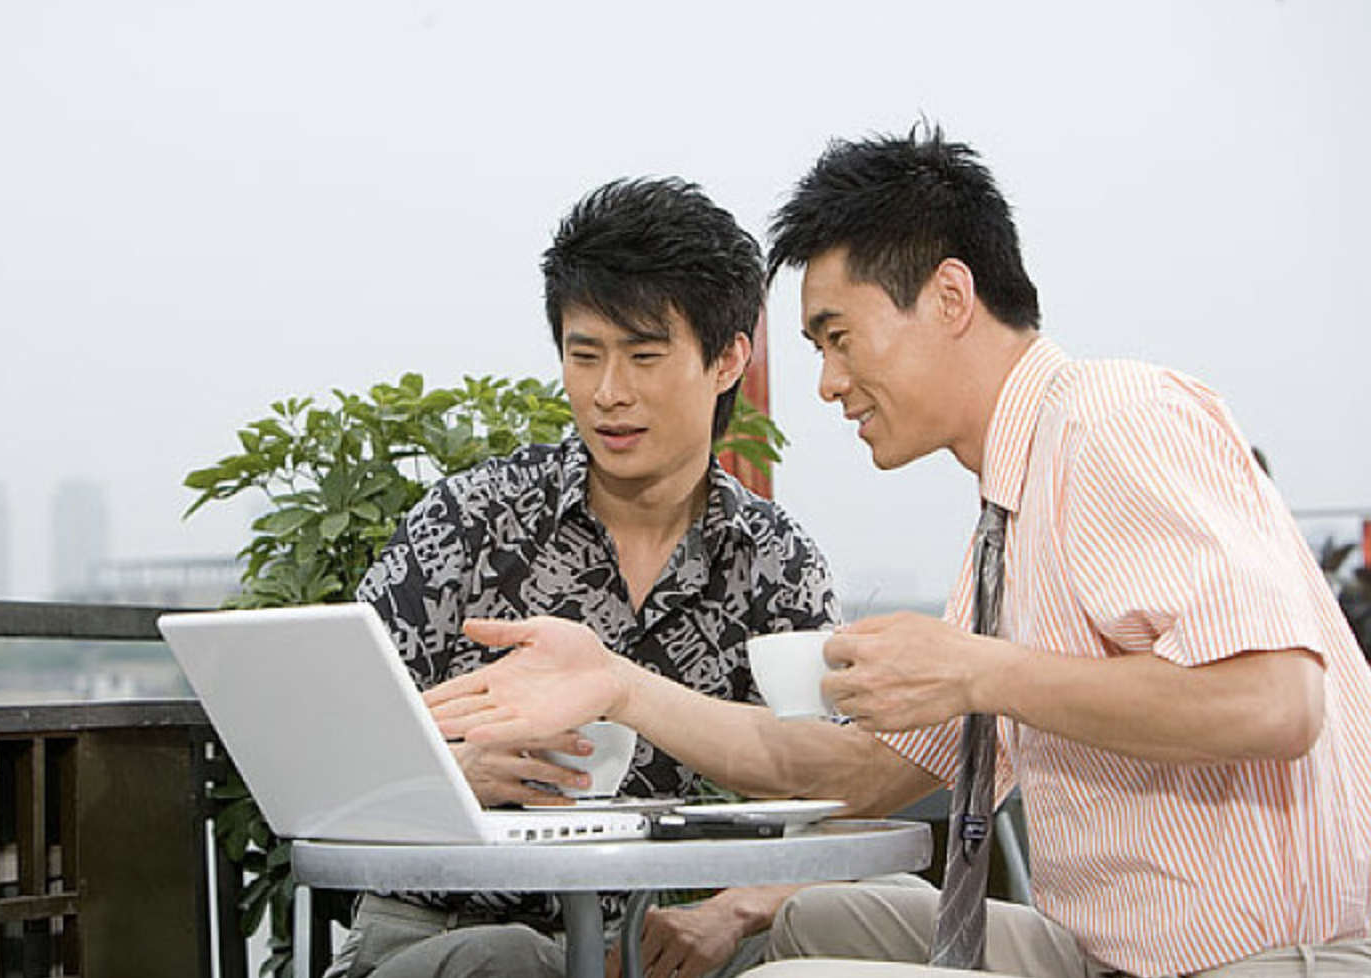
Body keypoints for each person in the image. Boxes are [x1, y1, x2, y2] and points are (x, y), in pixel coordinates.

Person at [427, 128, 1371, 978]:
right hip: (1103, 950)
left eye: (839, 338)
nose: (828, 383)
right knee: (814, 921)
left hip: (1278, 956)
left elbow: (1276, 700)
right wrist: (619, 685)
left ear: (950, 297)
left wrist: (978, 672)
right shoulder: (1008, 521)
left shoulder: (1110, 418)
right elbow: (864, 776)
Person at [330, 177, 842, 978]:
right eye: (584, 355)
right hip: (433, 935)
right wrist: (449, 780)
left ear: (727, 359)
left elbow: (833, 788)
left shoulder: (772, 562)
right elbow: (326, 755)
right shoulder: (469, 521)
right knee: (511, 960)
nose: (609, 394)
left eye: (644, 356)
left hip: (627, 946)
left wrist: (732, 911)